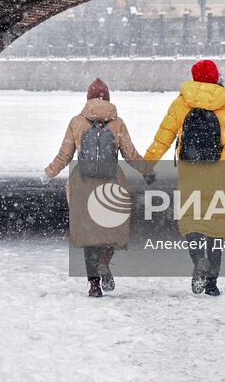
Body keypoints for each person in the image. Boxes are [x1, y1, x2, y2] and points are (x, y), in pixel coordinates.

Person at [143, 59, 225, 297]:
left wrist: (148, 165)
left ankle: (198, 261)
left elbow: (163, 137)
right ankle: (212, 283)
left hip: (190, 171)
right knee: (217, 227)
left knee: (192, 221)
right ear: (217, 77)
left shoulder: (181, 102)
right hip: (220, 173)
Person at [44, 78, 153, 298]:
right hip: (111, 183)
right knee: (110, 230)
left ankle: (94, 285)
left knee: (88, 236)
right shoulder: (117, 123)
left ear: (88, 98)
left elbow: (64, 155)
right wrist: (147, 170)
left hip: (83, 185)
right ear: (108, 98)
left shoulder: (76, 122)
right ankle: (105, 261)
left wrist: (48, 173)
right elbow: (130, 154)